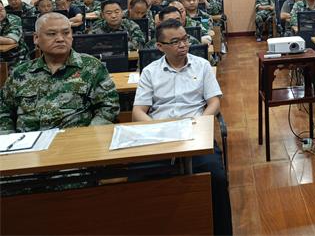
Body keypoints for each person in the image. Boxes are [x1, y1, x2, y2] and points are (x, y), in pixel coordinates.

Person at [132, 19, 232, 236]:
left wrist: (201, 123)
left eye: (185, 39)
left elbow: (214, 102)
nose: (183, 45)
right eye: (175, 41)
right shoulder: (150, 72)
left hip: (195, 133)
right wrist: (157, 131)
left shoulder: (202, 65)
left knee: (216, 178)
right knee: (137, 179)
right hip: (160, 136)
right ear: (160, 46)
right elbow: (138, 111)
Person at [0, 12, 119, 133]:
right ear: (36, 38)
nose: (60, 39)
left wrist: (89, 136)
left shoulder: (91, 67)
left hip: (74, 139)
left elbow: (108, 107)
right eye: (51, 34)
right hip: (29, 140)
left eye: (66, 33)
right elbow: (3, 111)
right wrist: (9, 138)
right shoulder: (20, 73)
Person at [0, 0, 28, 70]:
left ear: (4, 8)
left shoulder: (14, 19)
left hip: (15, 57)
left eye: (1, 10)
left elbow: (12, 40)